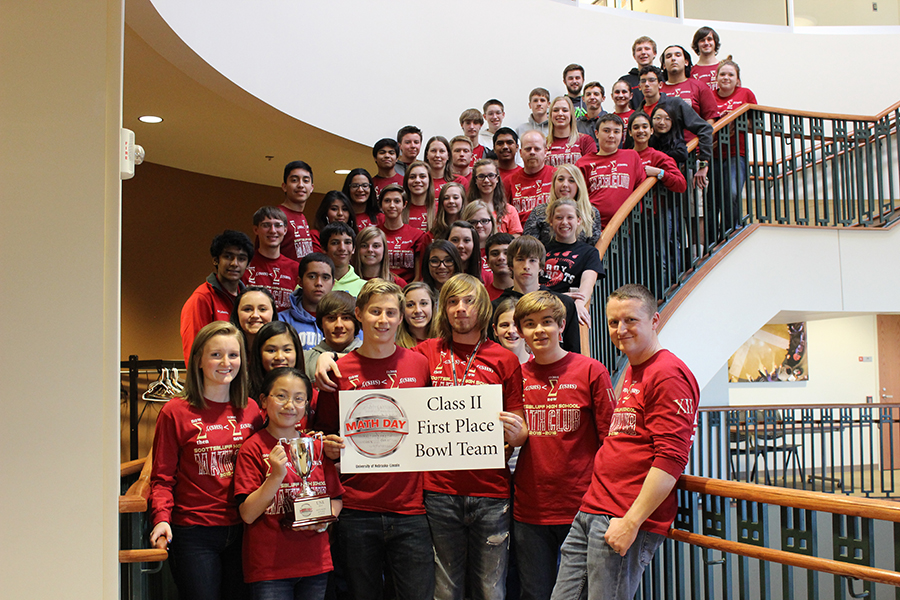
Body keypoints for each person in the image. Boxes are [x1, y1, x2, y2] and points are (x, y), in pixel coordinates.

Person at [549, 284, 700, 600]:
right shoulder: (634, 370)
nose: (620, 329)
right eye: (613, 322)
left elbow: (671, 459)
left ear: (654, 320)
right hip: (594, 508)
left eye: (631, 320)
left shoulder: (668, 373)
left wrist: (631, 522)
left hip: (623, 515)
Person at [313, 279, 436, 600]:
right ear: (359, 314)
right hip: (356, 509)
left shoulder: (420, 365)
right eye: (375, 312)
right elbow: (324, 429)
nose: (383, 320)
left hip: (411, 509)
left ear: (400, 318)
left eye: (391, 313)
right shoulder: (338, 371)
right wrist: (328, 446)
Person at [413, 274, 528, 600]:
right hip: (438, 490)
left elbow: (518, 424)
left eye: (469, 301)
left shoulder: (504, 359)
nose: (460, 309)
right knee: (445, 590)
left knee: (491, 590)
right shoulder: (424, 353)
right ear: (443, 309)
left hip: (491, 491)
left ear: (483, 308)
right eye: (452, 302)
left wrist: (518, 434)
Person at [149, 321, 264, 600]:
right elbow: (162, 477)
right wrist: (160, 518)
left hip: (243, 530)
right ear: (198, 359)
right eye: (216, 355)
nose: (226, 362)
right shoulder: (174, 412)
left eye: (233, 355)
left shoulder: (251, 411)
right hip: (193, 532)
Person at [514, 291, 614, 600]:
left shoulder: (590, 371)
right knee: (535, 593)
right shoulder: (515, 377)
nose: (539, 330)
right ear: (520, 332)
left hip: (582, 507)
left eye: (546, 322)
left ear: (561, 325)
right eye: (530, 324)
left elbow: (610, 441)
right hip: (530, 510)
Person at [234, 367, 343, 599]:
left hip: (315, 562)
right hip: (270, 567)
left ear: (306, 405)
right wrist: (275, 476)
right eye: (281, 396)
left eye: (298, 398)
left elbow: (335, 498)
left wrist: (324, 520)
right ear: (263, 401)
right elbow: (248, 514)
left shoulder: (315, 446)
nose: (289, 405)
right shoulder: (252, 448)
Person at [492, 236, 581, 355]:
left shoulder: (564, 303)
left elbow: (574, 352)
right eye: (520, 259)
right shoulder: (496, 306)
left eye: (532, 260)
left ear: (541, 266)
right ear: (511, 265)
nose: (526, 266)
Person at [181, 229, 253, 364]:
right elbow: (194, 350)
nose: (234, 263)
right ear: (216, 260)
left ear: (248, 264)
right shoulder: (201, 298)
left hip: (242, 379)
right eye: (228, 256)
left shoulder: (247, 299)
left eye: (241, 259)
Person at [638, 65, 713, 189]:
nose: (647, 84)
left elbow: (705, 128)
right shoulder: (639, 113)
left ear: (660, 84)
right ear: (639, 87)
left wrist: (704, 162)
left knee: (690, 207)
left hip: (680, 167)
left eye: (651, 80)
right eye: (643, 81)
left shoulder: (675, 104)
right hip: (651, 174)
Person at [540, 198, 605, 326]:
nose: (564, 222)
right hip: (540, 304)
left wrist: (580, 303)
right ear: (551, 221)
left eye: (570, 217)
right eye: (559, 218)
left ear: (578, 220)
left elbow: (588, 282)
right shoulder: (540, 249)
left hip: (567, 309)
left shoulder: (589, 252)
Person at [576, 114, 647, 229]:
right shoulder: (583, 163)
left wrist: (634, 217)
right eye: (606, 131)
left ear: (622, 135)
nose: (611, 135)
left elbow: (641, 190)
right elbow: (578, 197)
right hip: (592, 227)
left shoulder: (632, 156)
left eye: (616, 132)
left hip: (624, 227)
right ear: (596, 134)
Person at [714, 57, 757, 231]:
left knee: (731, 191)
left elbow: (755, 123)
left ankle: (731, 230)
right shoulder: (709, 96)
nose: (726, 77)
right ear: (716, 78)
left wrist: (734, 119)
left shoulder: (745, 93)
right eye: (722, 74)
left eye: (731, 75)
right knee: (713, 199)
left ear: (737, 79)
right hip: (713, 153)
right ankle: (715, 237)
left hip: (736, 152)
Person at [523, 164, 601, 248]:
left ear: (579, 185)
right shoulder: (539, 211)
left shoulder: (591, 213)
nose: (565, 184)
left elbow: (594, 248)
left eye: (571, 180)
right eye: (560, 179)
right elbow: (529, 247)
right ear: (554, 183)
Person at [245, 206, 299, 311]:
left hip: (284, 326)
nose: (273, 230)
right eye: (266, 225)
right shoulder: (245, 264)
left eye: (278, 225)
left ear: (285, 230)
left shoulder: (295, 268)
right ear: (256, 229)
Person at [281, 253, 335, 351]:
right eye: (312, 276)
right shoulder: (282, 320)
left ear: (333, 284)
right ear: (300, 282)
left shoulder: (343, 322)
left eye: (325, 277)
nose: (319, 283)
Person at [304, 291, 362, 382]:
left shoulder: (371, 356)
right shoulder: (305, 359)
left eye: (346, 318)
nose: (339, 325)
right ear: (321, 323)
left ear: (356, 322)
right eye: (331, 318)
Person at [659, 44, 720, 126]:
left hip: (693, 138)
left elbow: (710, 118)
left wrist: (705, 138)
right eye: (668, 56)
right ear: (664, 65)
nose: (673, 59)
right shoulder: (658, 89)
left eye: (678, 55)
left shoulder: (699, 86)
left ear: (686, 62)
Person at [378, 184, 427, 284]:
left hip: (408, 291)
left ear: (404, 204)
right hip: (380, 288)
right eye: (387, 201)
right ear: (381, 205)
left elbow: (419, 276)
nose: (392, 205)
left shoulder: (417, 235)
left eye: (397, 201)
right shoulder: (374, 234)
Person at [628, 111, 688, 193]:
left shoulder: (659, 157)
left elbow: (681, 184)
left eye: (645, 127)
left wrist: (660, 172)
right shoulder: (623, 156)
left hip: (651, 204)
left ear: (651, 130)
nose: (641, 130)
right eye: (636, 127)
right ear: (630, 132)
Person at [506, 131, 556, 223]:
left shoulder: (557, 176)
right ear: (520, 153)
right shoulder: (509, 181)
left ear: (545, 152)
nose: (532, 152)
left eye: (537, 149)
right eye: (528, 149)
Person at [249, 320, 304, 400]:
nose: (280, 357)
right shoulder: (243, 394)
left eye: (287, 350)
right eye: (271, 350)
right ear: (259, 353)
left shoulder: (310, 394)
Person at [467, 158, 522, 235]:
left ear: (497, 179)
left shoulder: (509, 210)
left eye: (491, 175)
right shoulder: (467, 209)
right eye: (481, 176)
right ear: (475, 180)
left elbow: (515, 240)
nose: (486, 180)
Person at [279, 160, 316, 262]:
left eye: (306, 180)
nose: (301, 185)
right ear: (284, 186)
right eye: (294, 180)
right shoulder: (277, 216)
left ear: (311, 188)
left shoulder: (302, 216)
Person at [545, 96, 597, 167]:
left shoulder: (586, 141)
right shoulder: (543, 143)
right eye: (556, 110)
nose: (560, 113)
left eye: (565, 110)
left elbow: (592, 170)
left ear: (571, 114)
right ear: (550, 115)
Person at [321, 221, 365, 297]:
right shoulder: (312, 284)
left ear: (353, 248)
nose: (342, 248)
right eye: (335, 243)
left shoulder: (365, 288)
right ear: (324, 248)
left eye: (347, 242)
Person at [230, 286, 278, 353]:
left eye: (262, 309)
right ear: (236, 313)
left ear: (273, 313)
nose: (255, 315)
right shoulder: (227, 348)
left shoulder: (283, 349)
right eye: (247, 309)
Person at [396, 281, 437, 348]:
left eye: (423, 303)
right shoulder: (394, 346)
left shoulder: (445, 342)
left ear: (432, 306)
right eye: (410, 305)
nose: (418, 310)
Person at [621, 36, 658, 109]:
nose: (643, 52)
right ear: (634, 56)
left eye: (647, 49)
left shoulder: (663, 77)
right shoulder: (626, 81)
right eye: (639, 49)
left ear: (654, 53)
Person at [492, 296, 529, 364]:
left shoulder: (540, 365)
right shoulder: (488, 367)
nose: (511, 331)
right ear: (495, 329)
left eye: (517, 325)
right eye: (504, 325)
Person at [404, 160, 436, 233]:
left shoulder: (439, 209)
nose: (417, 180)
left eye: (422, 176)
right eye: (412, 177)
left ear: (429, 180)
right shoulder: (400, 209)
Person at [484, 232, 515, 301]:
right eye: (495, 254)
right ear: (487, 262)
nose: (501, 258)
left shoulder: (528, 292)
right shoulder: (482, 296)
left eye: (507, 253)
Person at [691, 26, 721, 91]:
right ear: (697, 45)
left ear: (715, 43)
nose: (706, 43)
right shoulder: (691, 72)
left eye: (709, 39)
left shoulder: (725, 68)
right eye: (702, 40)